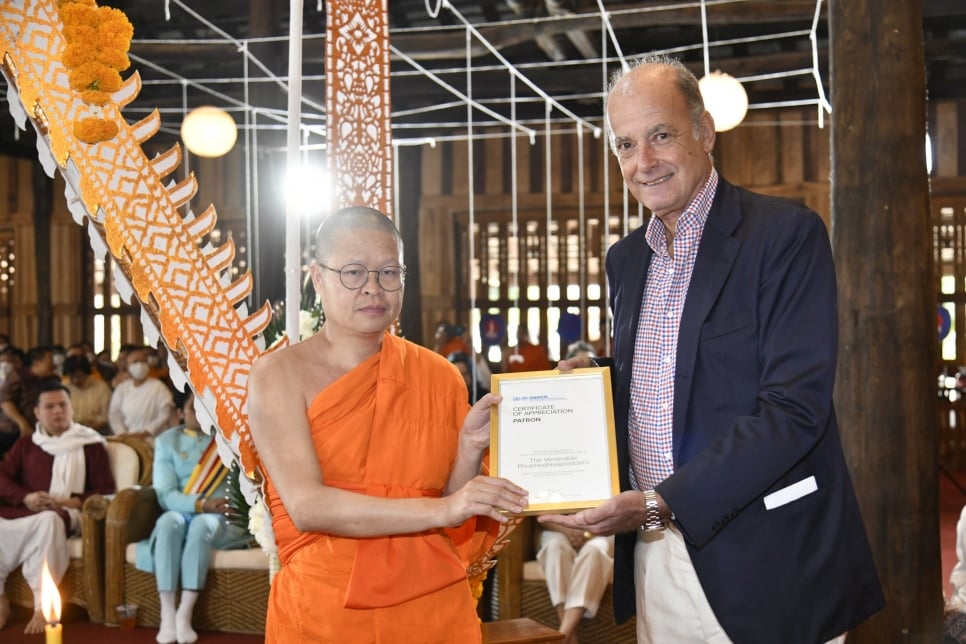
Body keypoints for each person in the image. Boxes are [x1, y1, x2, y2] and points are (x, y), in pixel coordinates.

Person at [539, 54, 884, 644]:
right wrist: (589, 380)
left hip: (767, 556)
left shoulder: (784, 236)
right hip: (655, 555)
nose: (642, 162)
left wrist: (659, 503)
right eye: (624, 145)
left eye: (661, 136)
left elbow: (794, 410)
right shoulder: (626, 260)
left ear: (704, 131)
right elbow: (669, 371)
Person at [247, 206, 528, 643]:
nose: (374, 289)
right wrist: (444, 509)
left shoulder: (437, 374)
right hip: (326, 611)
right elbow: (309, 507)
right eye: (354, 273)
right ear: (318, 279)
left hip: (432, 605)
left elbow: (454, 507)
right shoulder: (278, 375)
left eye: (389, 273)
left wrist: (470, 448)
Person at [135, 390, 251, 644]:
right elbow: (164, 494)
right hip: (183, 510)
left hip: (221, 519)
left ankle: (184, 612)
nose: (200, 414)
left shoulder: (228, 439)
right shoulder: (167, 441)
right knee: (168, 522)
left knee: (202, 525)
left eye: (205, 407)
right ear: (179, 413)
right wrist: (202, 504)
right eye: (192, 408)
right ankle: (167, 611)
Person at [0, 381, 115, 634]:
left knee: (49, 520)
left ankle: (42, 606)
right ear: (37, 413)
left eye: (62, 405)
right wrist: (26, 496)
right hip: (27, 510)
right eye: (49, 406)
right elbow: (3, 477)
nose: (57, 411)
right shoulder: (27, 444)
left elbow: (106, 490)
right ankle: (1, 599)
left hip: (66, 512)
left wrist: (68, 501)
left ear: (71, 408)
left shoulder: (91, 444)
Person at [0, 346, 60, 458]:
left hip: (42, 429)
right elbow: (6, 402)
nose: (54, 364)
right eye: (50, 359)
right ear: (37, 362)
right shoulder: (19, 376)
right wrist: (22, 423)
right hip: (13, 428)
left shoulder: (53, 380)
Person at [108, 347, 175, 438]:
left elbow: (165, 413)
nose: (139, 365)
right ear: (128, 366)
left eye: (143, 361)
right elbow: (114, 414)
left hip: (152, 438)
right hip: (127, 438)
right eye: (135, 362)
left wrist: (147, 432)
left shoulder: (158, 387)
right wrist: (122, 433)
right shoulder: (122, 388)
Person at [63, 355, 112, 434]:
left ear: (87, 373)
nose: (75, 380)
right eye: (71, 377)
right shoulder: (64, 387)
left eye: (79, 377)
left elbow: (106, 416)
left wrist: (88, 428)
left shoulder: (101, 387)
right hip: (69, 431)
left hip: (97, 431)